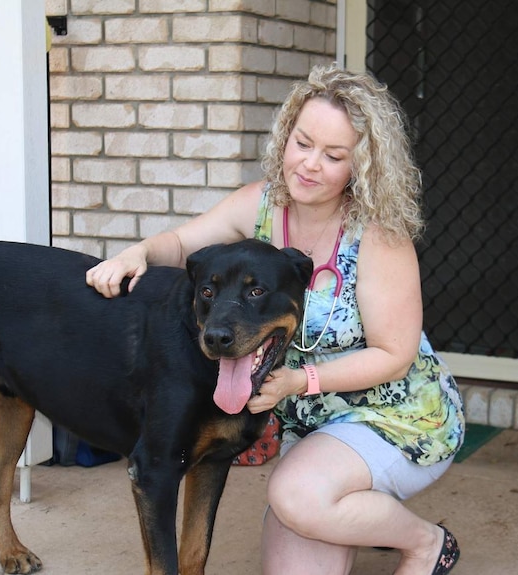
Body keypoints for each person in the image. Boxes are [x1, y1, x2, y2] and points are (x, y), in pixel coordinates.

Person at [86, 64, 466, 575]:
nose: (309, 165)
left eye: (334, 156)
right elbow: (182, 244)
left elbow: (394, 356)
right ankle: (342, 507)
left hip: (393, 417)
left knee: (298, 497)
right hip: (310, 428)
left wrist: (297, 380)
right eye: (302, 143)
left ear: (363, 165)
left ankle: (424, 542)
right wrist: (139, 252)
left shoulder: (379, 236)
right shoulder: (261, 204)